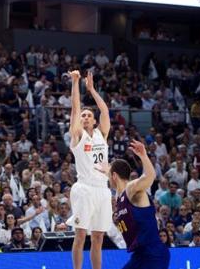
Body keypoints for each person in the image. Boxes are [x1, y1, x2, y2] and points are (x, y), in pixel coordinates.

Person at [66, 70, 112, 269]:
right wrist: (75, 83)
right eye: (83, 115)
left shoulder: (102, 133)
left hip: (102, 189)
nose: (84, 117)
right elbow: (75, 109)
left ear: (94, 120)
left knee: (99, 237)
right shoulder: (77, 135)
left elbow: (105, 110)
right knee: (81, 235)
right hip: (84, 188)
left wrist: (92, 89)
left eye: (88, 115)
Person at [104, 140, 170, 269]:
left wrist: (143, 156)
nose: (108, 179)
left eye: (109, 176)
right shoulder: (119, 195)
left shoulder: (131, 189)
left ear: (114, 176)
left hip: (153, 254)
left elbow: (150, 176)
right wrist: (105, 169)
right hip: (140, 254)